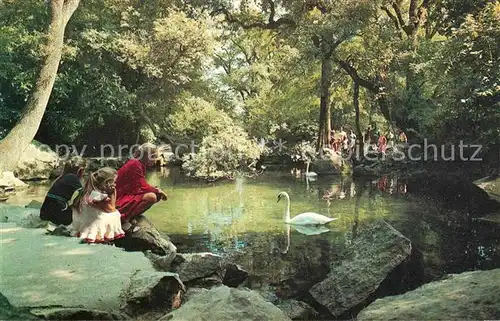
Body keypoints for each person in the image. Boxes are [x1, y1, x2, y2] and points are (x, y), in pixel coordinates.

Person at [115, 143, 167, 231]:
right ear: (147, 156)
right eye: (153, 157)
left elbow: (138, 185)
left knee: (156, 196)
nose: (155, 161)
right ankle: (124, 220)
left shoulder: (138, 164)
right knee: (152, 197)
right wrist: (158, 191)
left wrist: (156, 190)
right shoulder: (135, 164)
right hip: (118, 198)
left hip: (122, 195)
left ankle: (130, 217)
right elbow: (141, 186)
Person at [72, 167, 125, 243]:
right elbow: (112, 209)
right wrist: (113, 192)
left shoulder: (87, 191)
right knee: (116, 214)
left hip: (81, 223)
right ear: (107, 182)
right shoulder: (99, 196)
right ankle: (101, 233)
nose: (115, 184)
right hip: (92, 225)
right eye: (114, 182)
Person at [40, 156, 87, 226]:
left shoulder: (61, 177)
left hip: (44, 213)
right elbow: (85, 194)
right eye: (84, 171)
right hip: (57, 216)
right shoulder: (73, 178)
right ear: (81, 170)